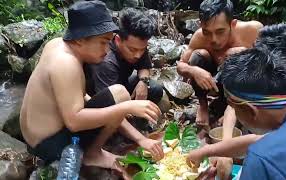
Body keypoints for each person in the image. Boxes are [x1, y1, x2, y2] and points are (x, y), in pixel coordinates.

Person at [20, 1, 163, 175]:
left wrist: (121, 110)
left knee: (119, 96)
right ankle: (92, 154)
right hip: (49, 145)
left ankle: (93, 150)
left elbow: (78, 96)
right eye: (103, 43)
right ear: (80, 39)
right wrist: (126, 107)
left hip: (35, 138)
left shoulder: (58, 44)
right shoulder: (66, 63)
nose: (107, 49)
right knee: (120, 95)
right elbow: (74, 122)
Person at [187, 46, 286, 179]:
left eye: (233, 107)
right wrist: (206, 151)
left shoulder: (262, 160)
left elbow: (264, 148)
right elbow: (259, 140)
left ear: (249, 110)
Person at [177, 0, 263, 127]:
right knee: (198, 56)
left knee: (236, 53)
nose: (214, 39)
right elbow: (180, 65)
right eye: (207, 32)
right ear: (200, 25)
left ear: (233, 24)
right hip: (216, 83)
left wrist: (246, 54)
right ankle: (203, 106)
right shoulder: (199, 37)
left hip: (247, 86)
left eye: (220, 31)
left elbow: (273, 61)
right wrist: (194, 71)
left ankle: (236, 108)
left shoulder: (253, 30)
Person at [85, 8, 164, 105]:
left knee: (155, 89)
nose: (138, 55)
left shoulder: (137, 45)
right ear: (118, 40)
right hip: (99, 94)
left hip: (122, 82)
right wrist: (129, 109)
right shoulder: (105, 59)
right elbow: (109, 102)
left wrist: (143, 81)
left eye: (142, 49)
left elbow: (144, 66)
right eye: (132, 50)